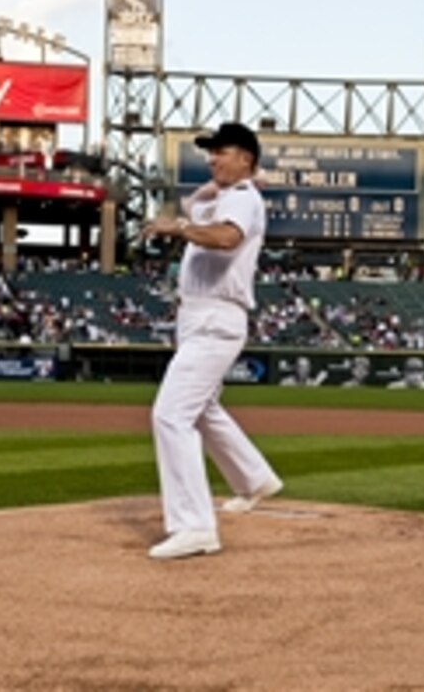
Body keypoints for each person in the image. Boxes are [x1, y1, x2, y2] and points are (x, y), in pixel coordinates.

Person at [139, 122, 283, 561]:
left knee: (170, 414)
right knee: (202, 409)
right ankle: (254, 478)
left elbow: (225, 238)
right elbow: (196, 201)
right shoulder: (224, 194)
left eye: (223, 151)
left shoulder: (241, 199)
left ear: (246, 158)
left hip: (216, 319)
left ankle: (195, 526)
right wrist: (199, 203)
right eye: (211, 152)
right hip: (200, 317)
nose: (213, 158)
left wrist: (178, 227)